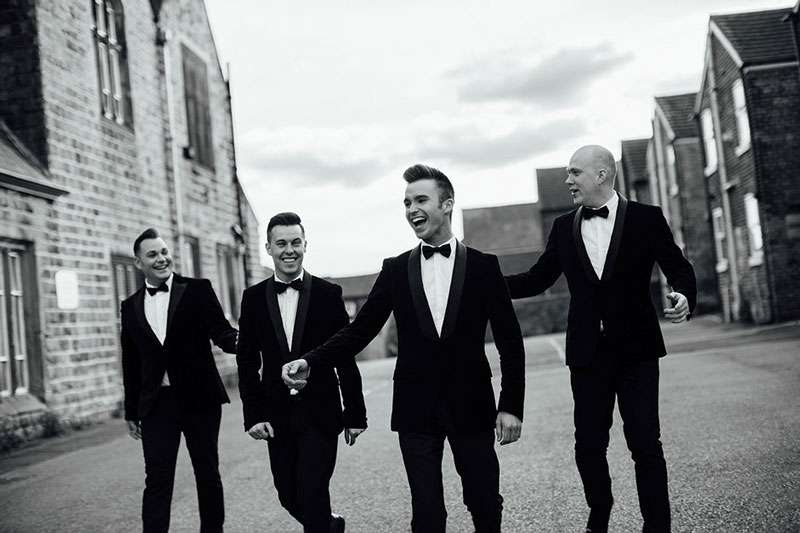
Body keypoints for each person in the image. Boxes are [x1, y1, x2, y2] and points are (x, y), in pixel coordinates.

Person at [283, 164, 526, 533]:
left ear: (447, 204)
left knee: (484, 501)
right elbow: (359, 331)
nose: (412, 209)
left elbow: (510, 340)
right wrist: (311, 361)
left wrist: (510, 406)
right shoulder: (395, 269)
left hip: (471, 402)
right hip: (416, 407)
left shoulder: (484, 266)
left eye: (421, 200)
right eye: (407, 203)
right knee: (426, 511)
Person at [505, 145, 696, 533]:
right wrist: (484, 281)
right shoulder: (563, 227)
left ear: (602, 175)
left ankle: (657, 525)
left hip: (638, 350)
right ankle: (600, 510)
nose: (568, 180)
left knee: (645, 444)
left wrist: (684, 295)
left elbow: (677, 266)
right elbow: (537, 279)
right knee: (589, 446)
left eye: (574, 172)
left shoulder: (646, 218)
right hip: (587, 354)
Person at [236, 212, 367, 533]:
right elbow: (247, 361)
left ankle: (321, 524)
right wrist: (253, 415)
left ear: (305, 244)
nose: (289, 250)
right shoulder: (253, 299)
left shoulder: (328, 294)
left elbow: (345, 356)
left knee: (312, 492)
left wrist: (355, 413)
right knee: (287, 494)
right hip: (276, 414)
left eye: (296, 242)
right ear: (268, 248)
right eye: (281, 243)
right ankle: (330, 525)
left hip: (320, 411)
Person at [120, 228, 238, 533]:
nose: (162, 258)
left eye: (164, 252)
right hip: (157, 405)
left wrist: (246, 343)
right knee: (157, 479)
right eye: (152, 254)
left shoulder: (197, 290)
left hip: (200, 399)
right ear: (138, 263)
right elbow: (131, 362)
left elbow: (221, 331)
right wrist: (131, 410)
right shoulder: (130, 307)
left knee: (207, 473)